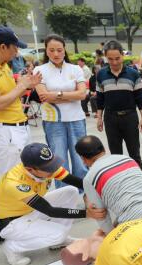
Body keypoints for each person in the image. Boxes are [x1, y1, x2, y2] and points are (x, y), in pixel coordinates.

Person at [0, 143, 105, 265]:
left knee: (71, 191)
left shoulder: (46, 167)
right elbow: (50, 210)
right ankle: (11, 247)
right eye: (48, 168)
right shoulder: (14, 183)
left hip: (29, 209)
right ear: (30, 169)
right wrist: (87, 213)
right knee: (58, 234)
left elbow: (78, 182)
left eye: (53, 164)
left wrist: (92, 192)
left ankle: (59, 241)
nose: (53, 169)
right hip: (11, 222)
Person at [0, 26, 41, 174]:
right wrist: (21, 86)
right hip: (7, 131)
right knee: (14, 176)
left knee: (28, 174)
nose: (17, 51)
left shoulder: (4, 65)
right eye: (15, 47)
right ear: (3, 47)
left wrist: (27, 86)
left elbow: (11, 95)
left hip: (21, 125)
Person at [76, 135, 142, 233]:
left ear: (83, 159)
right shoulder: (127, 159)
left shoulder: (89, 178)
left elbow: (101, 215)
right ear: (104, 149)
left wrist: (111, 236)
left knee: (102, 235)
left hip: (136, 219)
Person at [35, 34, 88, 189]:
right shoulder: (39, 70)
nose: (56, 54)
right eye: (51, 50)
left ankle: (83, 191)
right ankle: (64, 193)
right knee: (58, 160)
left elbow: (82, 94)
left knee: (80, 158)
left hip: (76, 119)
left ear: (64, 49)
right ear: (46, 50)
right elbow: (44, 97)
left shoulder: (76, 69)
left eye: (59, 50)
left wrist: (56, 95)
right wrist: (71, 96)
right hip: (53, 122)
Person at [96, 40, 142, 170]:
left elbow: (140, 98)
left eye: (117, 58)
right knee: (115, 156)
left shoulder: (133, 74)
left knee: (134, 153)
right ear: (106, 57)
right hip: (110, 118)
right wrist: (99, 118)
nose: (114, 62)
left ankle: (139, 179)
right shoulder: (101, 74)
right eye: (110, 59)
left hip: (130, 117)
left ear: (122, 56)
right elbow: (100, 98)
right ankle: (119, 181)